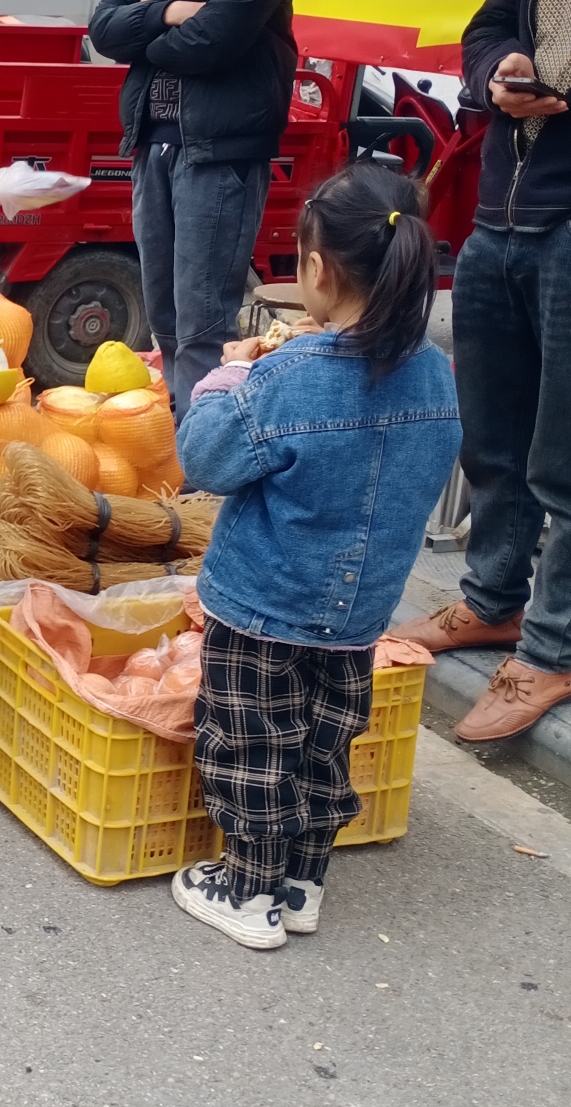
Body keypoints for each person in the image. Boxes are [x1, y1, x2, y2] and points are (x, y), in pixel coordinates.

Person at [171, 166, 460, 950]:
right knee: (324, 744)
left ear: (318, 270)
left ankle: (247, 892)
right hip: (358, 615)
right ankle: (303, 884)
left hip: (263, 608)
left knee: (253, 749)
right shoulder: (435, 374)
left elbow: (205, 459)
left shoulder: (286, 377)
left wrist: (232, 374)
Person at [389, 0, 571, 740]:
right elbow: (487, 26)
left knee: (563, 454)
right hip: (505, 212)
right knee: (493, 434)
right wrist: (498, 72)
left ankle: (553, 646)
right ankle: (493, 597)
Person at [88, 0, 297, 406]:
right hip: (153, 138)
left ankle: (201, 454)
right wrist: (171, 13)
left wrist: (144, 31)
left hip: (219, 148)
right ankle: (181, 446)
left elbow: (220, 38)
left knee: (204, 324)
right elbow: (102, 28)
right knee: (166, 320)